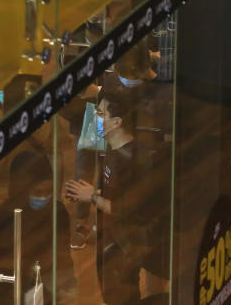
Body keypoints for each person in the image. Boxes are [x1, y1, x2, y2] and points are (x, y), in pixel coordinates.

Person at [63, 88, 165, 303]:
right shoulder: (112, 149)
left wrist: (92, 197)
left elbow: (127, 208)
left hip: (127, 247)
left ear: (117, 122)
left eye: (100, 114)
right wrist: (87, 193)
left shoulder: (134, 159)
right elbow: (119, 194)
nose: (95, 119)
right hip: (113, 242)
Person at [0, 152, 77, 305]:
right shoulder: (3, 217)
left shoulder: (57, 211)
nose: (44, 198)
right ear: (22, 190)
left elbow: (61, 255)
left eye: (48, 192)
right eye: (38, 192)